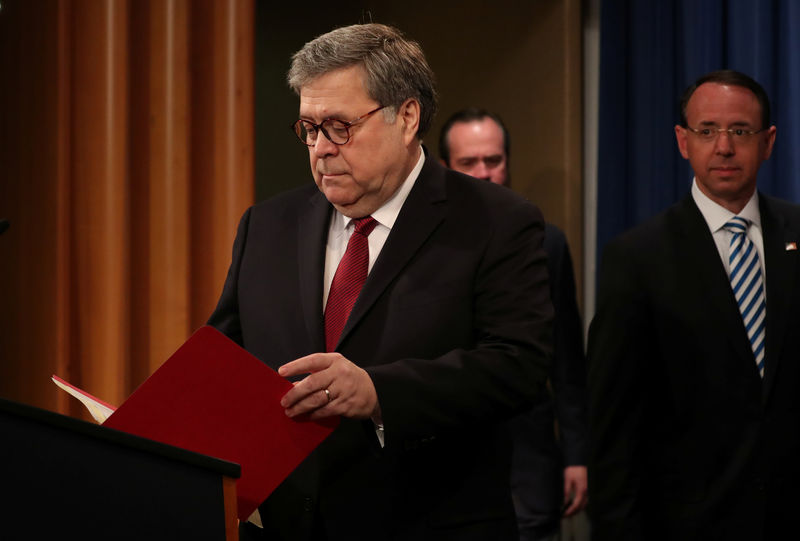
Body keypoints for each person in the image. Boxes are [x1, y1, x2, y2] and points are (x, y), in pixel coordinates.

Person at [208, 24, 554, 540]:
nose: (321, 149)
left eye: (339, 127)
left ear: (407, 117)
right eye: (308, 128)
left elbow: (518, 366)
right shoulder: (267, 226)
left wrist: (378, 392)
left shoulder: (494, 221)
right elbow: (223, 358)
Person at [587, 69, 800, 540]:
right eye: (707, 131)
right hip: (687, 523)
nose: (724, 147)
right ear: (683, 141)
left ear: (768, 142)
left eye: (740, 131)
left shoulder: (796, 234)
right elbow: (614, 425)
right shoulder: (637, 257)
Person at [439, 109, 589, 541]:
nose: (484, 173)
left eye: (493, 160)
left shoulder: (547, 242)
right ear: (447, 168)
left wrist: (577, 453)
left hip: (529, 457)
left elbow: (567, 357)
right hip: (449, 455)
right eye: (469, 163)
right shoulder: (427, 246)